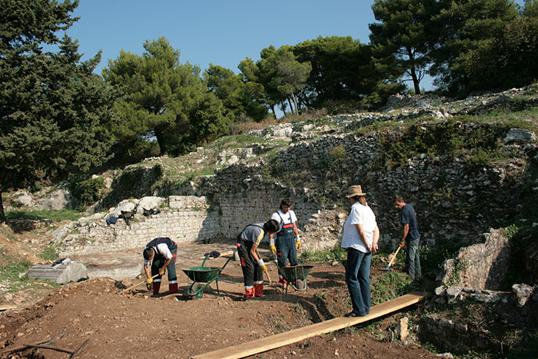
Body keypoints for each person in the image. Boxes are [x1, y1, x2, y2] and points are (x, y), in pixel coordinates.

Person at [341, 185, 379, 317]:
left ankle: (359, 309)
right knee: (363, 277)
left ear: (352, 198)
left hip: (357, 247)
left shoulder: (356, 209)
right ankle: (366, 307)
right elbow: (376, 229)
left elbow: (360, 230)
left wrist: (367, 243)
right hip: (367, 247)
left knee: (351, 277)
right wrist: (373, 243)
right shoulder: (367, 209)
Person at [236, 219, 280, 299]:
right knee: (249, 267)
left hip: (250, 242)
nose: (273, 234)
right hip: (242, 243)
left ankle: (258, 292)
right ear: (270, 230)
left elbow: (270, 235)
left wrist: (272, 243)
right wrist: (261, 262)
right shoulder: (259, 233)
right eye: (273, 232)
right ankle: (249, 293)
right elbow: (253, 251)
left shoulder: (266, 225)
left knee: (258, 267)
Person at [269, 199, 300, 285]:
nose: (288, 209)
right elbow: (272, 230)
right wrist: (271, 243)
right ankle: (282, 279)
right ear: (282, 206)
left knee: (294, 260)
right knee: (282, 262)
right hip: (281, 241)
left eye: (289, 207)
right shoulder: (276, 215)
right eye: (287, 207)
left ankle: (294, 278)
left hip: (291, 241)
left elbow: (294, 226)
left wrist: (298, 238)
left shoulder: (291, 213)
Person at [394, 195, 421, 281]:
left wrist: (403, 240)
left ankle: (411, 279)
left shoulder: (404, 211)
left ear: (399, 202)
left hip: (412, 237)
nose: (396, 207)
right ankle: (419, 277)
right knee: (416, 256)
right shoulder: (409, 206)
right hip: (416, 235)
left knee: (411, 258)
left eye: (396, 205)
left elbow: (406, 227)